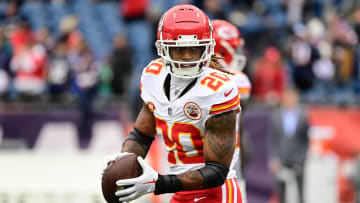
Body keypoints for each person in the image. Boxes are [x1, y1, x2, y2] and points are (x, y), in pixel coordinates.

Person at [102, 4, 242, 203]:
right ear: (163, 48)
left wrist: (158, 183)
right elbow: (142, 134)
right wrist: (123, 158)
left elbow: (217, 171)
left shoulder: (219, 89)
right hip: (180, 190)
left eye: (194, 48)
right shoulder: (153, 76)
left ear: (207, 47)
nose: (187, 57)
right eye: (179, 49)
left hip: (217, 192)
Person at [211, 19, 252, 203]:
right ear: (220, 49)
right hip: (222, 171)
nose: (238, 53)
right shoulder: (235, 80)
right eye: (234, 48)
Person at [267, 87, 309, 203]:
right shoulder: (276, 115)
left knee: (300, 191)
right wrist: (274, 158)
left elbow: (305, 140)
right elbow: (273, 138)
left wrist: (302, 158)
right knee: (281, 193)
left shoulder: (303, 116)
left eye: (292, 97)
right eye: (287, 97)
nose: (290, 100)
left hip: (298, 159)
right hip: (282, 158)